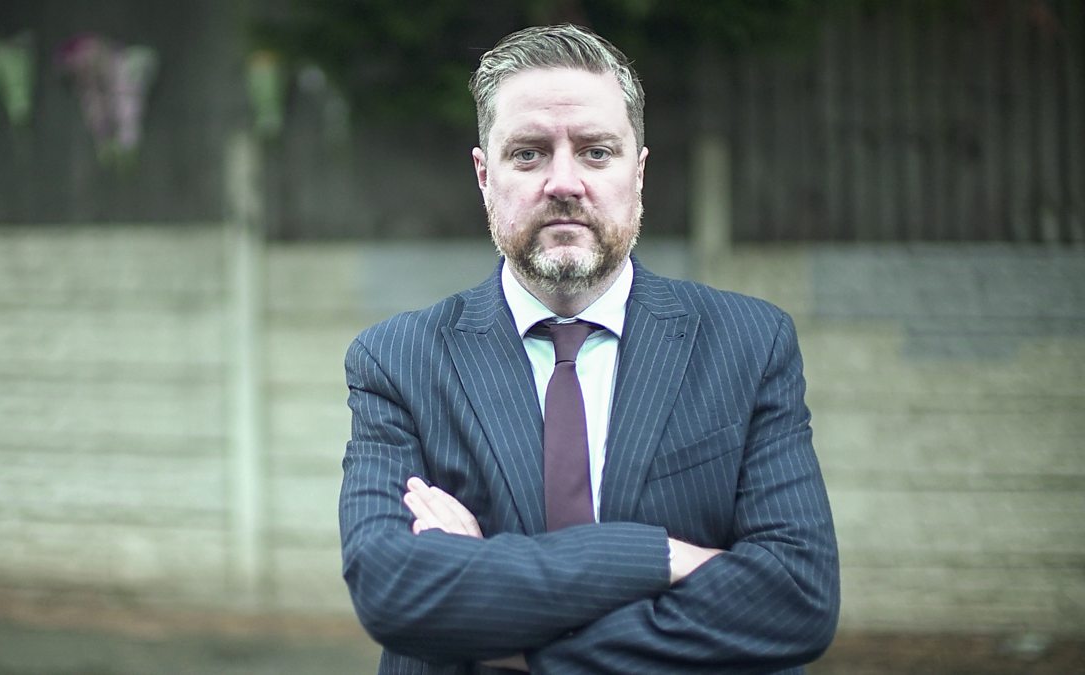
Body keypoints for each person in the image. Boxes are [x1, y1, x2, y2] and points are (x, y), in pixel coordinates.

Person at [339, 23, 839, 674]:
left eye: (596, 152)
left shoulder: (749, 344)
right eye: (529, 154)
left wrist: (514, 639)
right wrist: (657, 556)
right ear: (484, 176)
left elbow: (796, 599)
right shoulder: (397, 361)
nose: (564, 182)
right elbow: (391, 590)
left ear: (639, 172)